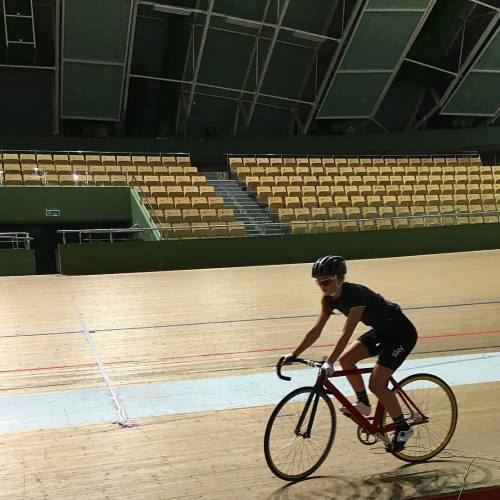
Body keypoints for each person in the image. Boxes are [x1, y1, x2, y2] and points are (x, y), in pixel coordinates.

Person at [279, 255, 418, 452]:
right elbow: (316, 330)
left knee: (377, 383)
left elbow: (347, 333)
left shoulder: (355, 295)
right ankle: (363, 403)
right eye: (318, 283)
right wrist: (294, 354)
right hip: (381, 330)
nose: (322, 286)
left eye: (326, 281)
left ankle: (403, 428)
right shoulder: (329, 300)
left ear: (340, 278)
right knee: (347, 359)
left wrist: (330, 362)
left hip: (401, 334)